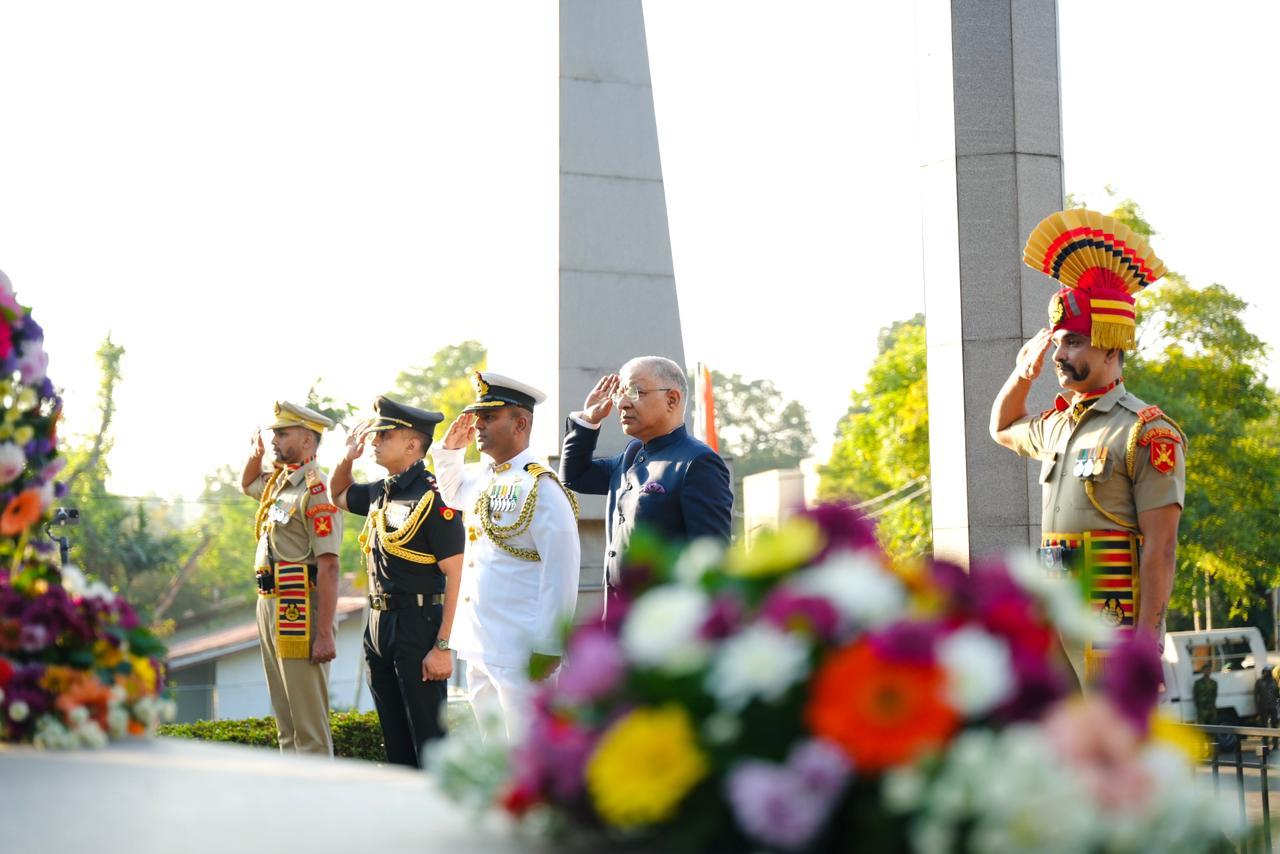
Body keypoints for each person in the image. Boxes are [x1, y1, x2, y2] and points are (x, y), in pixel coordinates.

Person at [990, 209, 1186, 687]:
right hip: (1053, 604)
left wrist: (1146, 643)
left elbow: (1161, 548)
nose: (1060, 355)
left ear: (1111, 347)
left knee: (1106, 727)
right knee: (1053, 726)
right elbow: (1003, 427)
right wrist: (1023, 373)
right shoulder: (1058, 424)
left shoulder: (1146, 432)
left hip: (1109, 608)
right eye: (1058, 343)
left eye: (1074, 343)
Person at [435, 372, 581, 741]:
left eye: (489, 417)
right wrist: (450, 451)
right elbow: (451, 494)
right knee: (493, 751)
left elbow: (562, 571)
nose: (478, 426)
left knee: (527, 749)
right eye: (478, 417)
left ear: (520, 424)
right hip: (480, 640)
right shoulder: (484, 477)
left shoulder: (541, 485)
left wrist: (550, 644)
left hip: (522, 648)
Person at [331, 396, 465, 767]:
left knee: (429, 739)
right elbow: (338, 494)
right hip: (378, 623)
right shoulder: (382, 490)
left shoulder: (433, 497)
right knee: (394, 736)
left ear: (411, 444)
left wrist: (443, 645)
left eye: (384, 435)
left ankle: (436, 803)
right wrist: (347, 458)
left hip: (417, 624)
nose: (374, 441)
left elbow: (457, 574)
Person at [560, 356, 733, 603]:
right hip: (620, 617)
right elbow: (575, 476)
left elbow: (711, 559)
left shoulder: (697, 462)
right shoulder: (631, 455)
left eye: (635, 392)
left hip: (664, 618)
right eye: (620, 393)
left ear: (671, 400)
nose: (622, 403)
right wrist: (588, 420)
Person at [241, 401, 343, 756]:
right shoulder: (280, 484)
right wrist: (255, 455)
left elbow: (329, 566)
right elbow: (248, 483)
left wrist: (324, 633)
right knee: (285, 721)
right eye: (274, 434)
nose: (274, 441)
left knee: (308, 725)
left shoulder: (316, 490)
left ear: (307, 440)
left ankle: (317, 790)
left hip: (299, 605)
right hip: (269, 602)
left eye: (282, 434)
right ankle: (291, 787)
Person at [1255, 667, 1279, 747]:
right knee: (1264, 725)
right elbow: (1256, 695)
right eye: (1265, 672)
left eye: (1268, 672)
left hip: (1273, 706)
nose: (1267, 673)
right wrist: (1257, 707)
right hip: (1263, 707)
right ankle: (1265, 743)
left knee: (1274, 725)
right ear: (1263, 672)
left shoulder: (1273, 681)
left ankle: (1275, 744)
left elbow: (1277, 693)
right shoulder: (1259, 682)